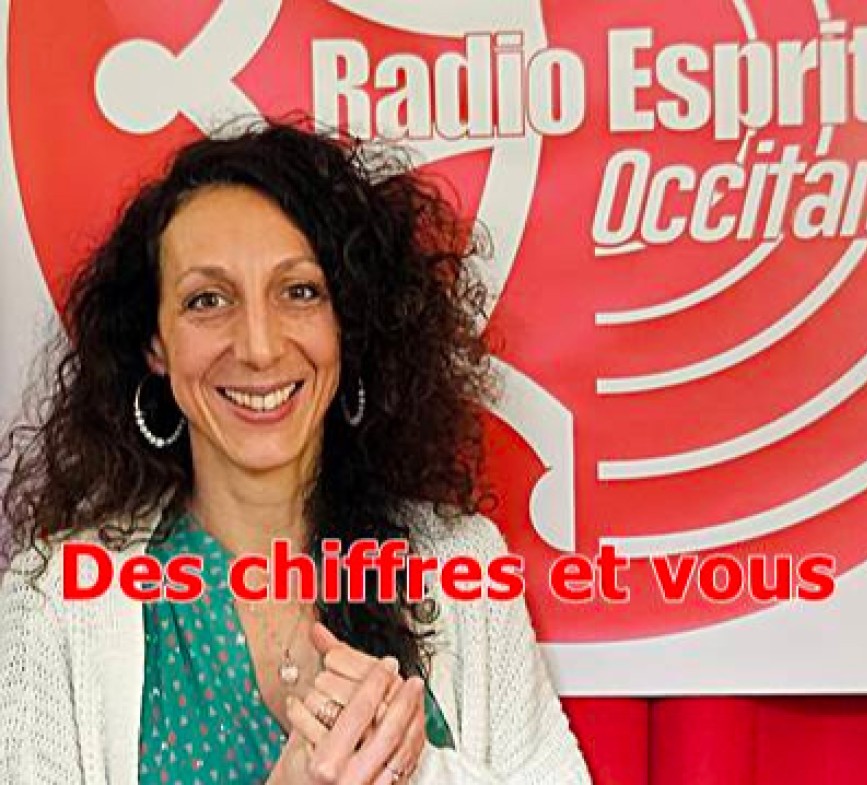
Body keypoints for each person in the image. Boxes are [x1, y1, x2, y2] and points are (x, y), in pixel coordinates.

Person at [0, 118, 590, 784]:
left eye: (300, 292)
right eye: (207, 300)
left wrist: (417, 769)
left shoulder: (464, 564)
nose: (259, 346)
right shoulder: (56, 599)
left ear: (347, 323)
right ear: (155, 343)